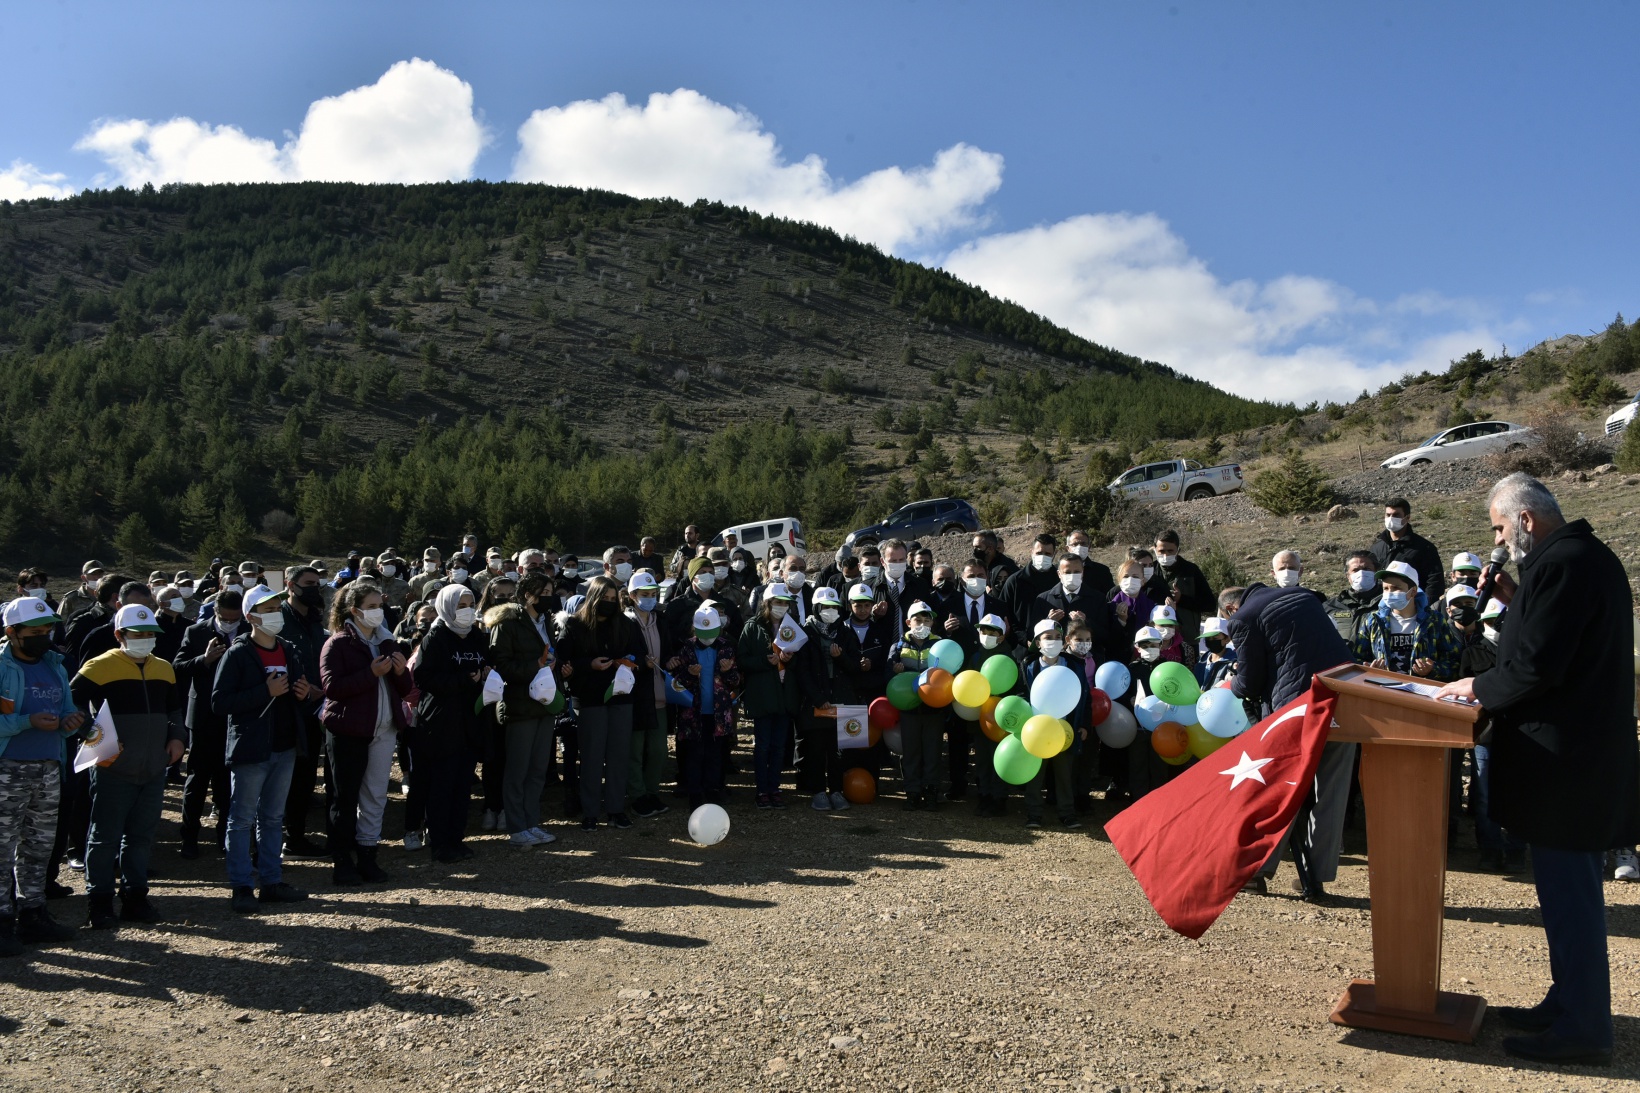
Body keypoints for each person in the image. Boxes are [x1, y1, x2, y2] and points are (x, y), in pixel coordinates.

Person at [1436, 473, 1637, 1065]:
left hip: (1567, 764)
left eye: (1499, 527)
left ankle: (1584, 1029)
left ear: (1525, 519)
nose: (1497, 539)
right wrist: (1512, 591)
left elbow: (1536, 666)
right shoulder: (1572, 559)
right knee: (1560, 895)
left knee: (1572, 897)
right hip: (1571, 759)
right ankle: (1567, 1002)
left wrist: (1474, 685)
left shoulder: (1564, 565)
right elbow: (1546, 637)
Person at [1223, 575, 1355, 903]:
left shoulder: (1243, 618)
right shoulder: (1302, 594)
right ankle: (1317, 877)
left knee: (1282, 787)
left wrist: (1232, 681)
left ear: (1229, 609)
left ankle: (1256, 871)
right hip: (1346, 698)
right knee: (1332, 790)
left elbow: (1250, 682)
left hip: (1299, 710)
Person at [71, 603, 186, 928]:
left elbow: (174, 709)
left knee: (140, 837)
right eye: (138, 634)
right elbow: (72, 702)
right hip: (112, 767)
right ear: (120, 634)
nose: (146, 639)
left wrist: (178, 737)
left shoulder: (164, 667)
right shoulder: (98, 666)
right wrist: (96, 735)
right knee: (104, 837)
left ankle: (136, 898)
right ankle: (100, 902)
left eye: (150, 633)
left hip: (152, 768)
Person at [211, 586, 313, 913]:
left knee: (272, 818)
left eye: (277, 607)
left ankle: (271, 882)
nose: (276, 614)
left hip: (284, 747)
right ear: (251, 615)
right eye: (268, 609)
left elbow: (300, 692)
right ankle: (241, 886)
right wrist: (264, 691)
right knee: (241, 820)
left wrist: (302, 693)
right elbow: (219, 702)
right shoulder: (238, 653)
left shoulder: (288, 649)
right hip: (251, 750)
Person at [0, 597, 85, 952]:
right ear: (12, 632)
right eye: (34, 631)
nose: (43, 636)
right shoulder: (2, 668)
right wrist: (26, 722)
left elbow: (65, 709)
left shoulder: (55, 665)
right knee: (2, 848)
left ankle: (33, 913)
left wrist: (70, 723)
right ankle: (2, 921)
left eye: (47, 629)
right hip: (7, 769)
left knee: (38, 847)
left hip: (48, 767)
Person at [319, 582, 414, 884]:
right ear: (354, 610)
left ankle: (368, 854)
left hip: (384, 730)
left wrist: (400, 673)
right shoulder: (338, 643)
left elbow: (406, 689)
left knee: (375, 796)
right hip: (349, 730)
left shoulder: (387, 641)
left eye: (380, 605)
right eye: (371, 607)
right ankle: (342, 860)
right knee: (345, 798)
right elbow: (332, 688)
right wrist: (369, 674)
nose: (378, 612)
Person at [558, 575, 646, 831]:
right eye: (604, 598)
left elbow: (639, 654)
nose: (609, 603)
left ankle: (616, 809)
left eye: (613, 599)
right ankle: (590, 811)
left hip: (621, 695)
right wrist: (589, 665)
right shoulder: (574, 626)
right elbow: (565, 661)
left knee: (619, 755)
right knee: (592, 756)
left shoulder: (625, 624)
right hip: (589, 699)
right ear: (594, 598)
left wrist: (628, 661)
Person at [410, 585, 489, 863]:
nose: (467, 610)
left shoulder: (476, 636)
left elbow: (484, 665)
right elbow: (424, 678)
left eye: (470, 603)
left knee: (462, 783)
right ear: (446, 607)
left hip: (470, 719)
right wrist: (464, 680)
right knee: (442, 784)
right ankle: (440, 842)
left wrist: (486, 674)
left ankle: (457, 838)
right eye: (460, 605)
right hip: (441, 720)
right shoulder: (436, 637)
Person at [484, 570, 561, 846]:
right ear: (529, 595)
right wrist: (535, 667)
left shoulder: (546, 621)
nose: (550, 599)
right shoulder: (507, 624)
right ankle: (517, 827)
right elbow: (501, 665)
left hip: (544, 704)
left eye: (552, 594)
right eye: (545, 594)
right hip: (519, 706)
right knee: (517, 769)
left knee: (538, 769)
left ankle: (532, 822)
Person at [174, 589, 245, 860]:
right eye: (224, 618)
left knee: (227, 782)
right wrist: (203, 660)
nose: (229, 622)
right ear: (215, 612)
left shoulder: (248, 632)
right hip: (203, 719)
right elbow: (177, 667)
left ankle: (224, 837)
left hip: (234, 717)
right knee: (197, 781)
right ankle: (189, 837)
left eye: (234, 618)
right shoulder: (196, 632)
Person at [280, 566, 330, 858]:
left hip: (314, 708)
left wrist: (320, 688)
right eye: (308, 584)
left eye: (318, 584)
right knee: (285, 776)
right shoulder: (280, 619)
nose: (314, 588)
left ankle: (296, 837)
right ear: (290, 585)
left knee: (306, 776)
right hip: (286, 708)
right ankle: (281, 837)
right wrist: (303, 686)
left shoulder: (314, 620)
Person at [671, 605, 741, 809]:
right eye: (703, 633)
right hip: (693, 713)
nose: (708, 638)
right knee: (694, 754)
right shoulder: (687, 649)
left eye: (712, 633)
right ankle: (694, 792)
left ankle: (714, 790)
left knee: (715, 754)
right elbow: (678, 683)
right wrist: (690, 675)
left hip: (719, 713)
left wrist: (728, 672)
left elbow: (736, 680)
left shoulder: (727, 648)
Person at [1021, 618, 1088, 830]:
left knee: (1064, 774)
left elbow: (1085, 698)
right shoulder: (1028, 666)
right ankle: (1034, 814)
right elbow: (1022, 695)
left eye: (1058, 638)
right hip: (1037, 730)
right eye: (1048, 638)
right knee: (1035, 774)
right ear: (1037, 642)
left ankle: (1067, 813)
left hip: (1065, 729)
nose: (1053, 641)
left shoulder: (1074, 666)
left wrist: (1084, 724)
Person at [739, 583, 801, 809]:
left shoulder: (793, 627)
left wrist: (790, 659)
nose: (782, 607)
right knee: (762, 745)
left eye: (785, 603)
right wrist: (765, 661)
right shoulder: (752, 627)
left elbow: (801, 662)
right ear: (767, 603)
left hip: (785, 696)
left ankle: (774, 788)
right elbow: (742, 660)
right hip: (763, 696)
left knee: (779, 747)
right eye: (778, 602)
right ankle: (761, 790)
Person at [1350, 561, 1462, 681]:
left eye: (1396, 588)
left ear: (1413, 591)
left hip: (1420, 692)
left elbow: (1454, 662)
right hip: (1384, 690)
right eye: (1386, 588)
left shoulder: (1434, 621)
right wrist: (1370, 670)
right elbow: (1357, 659)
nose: (1389, 593)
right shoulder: (1373, 621)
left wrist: (1432, 670)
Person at [622, 571, 670, 820]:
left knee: (659, 750)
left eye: (653, 594)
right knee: (635, 750)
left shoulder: (660, 620)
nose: (650, 599)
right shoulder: (625, 623)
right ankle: (638, 795)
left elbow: (669, 648)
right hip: (636, 696)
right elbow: (622, 656)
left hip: (660, 695)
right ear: (632, 596)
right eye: (645, 595)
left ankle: (652, 792)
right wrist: (642, 662)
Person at [889, 600, 945, 810]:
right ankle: (912, 792)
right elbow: (888, 672)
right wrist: (894, 670)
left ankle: (931, 793)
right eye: (917, 620)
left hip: (934, 709)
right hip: (909, 708)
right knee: (910, 752)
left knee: (932, 752)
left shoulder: (940, 644)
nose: (922, 624)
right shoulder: (898, 646)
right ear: (908, 622)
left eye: (926, 620)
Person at [1370, 497, 1445, 602]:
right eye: (1388, 515)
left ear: (1407, 517)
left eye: (1396, 515)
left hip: (1412, 607)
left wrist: (1424, 607)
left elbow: (1435, 582)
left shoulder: (1424, 547)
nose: (1391, 518)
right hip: (1382, 607)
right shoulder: (1377, 547)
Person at [1152, 530, 1216, 644]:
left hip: (1187, 638)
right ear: (1154, 550)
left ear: (1178, 550)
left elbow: (1210, 604)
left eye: (1170, 551)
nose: (1165, 555)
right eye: (1161, 551)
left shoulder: (1191, 570)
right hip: (1154, 640)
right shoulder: (1149, 571)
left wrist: (1182, 599)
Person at [998, 534, 1060, 633]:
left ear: (1054, 554)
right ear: (1031, 552)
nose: (1043, 557)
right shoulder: (1015, 581)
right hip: (1022, 645)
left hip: (1054, 642)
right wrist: (1021, 639)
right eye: (1039, 553)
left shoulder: (1060, 582)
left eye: (1047, 554)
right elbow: (1003, 614)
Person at [1323, 551, 1382, 643]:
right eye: (1355, 570)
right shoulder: (1330, 606)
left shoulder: (1387, 603)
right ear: (1348, 576)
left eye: (1367, 569)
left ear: (1376, 572)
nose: (1361, 573)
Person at [1194, 616, 1236, 690]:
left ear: (1227, 639)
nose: (1211, 641)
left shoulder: (1234, 663)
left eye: (1215, 638)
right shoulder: (1201, 661)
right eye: (1207, 638)